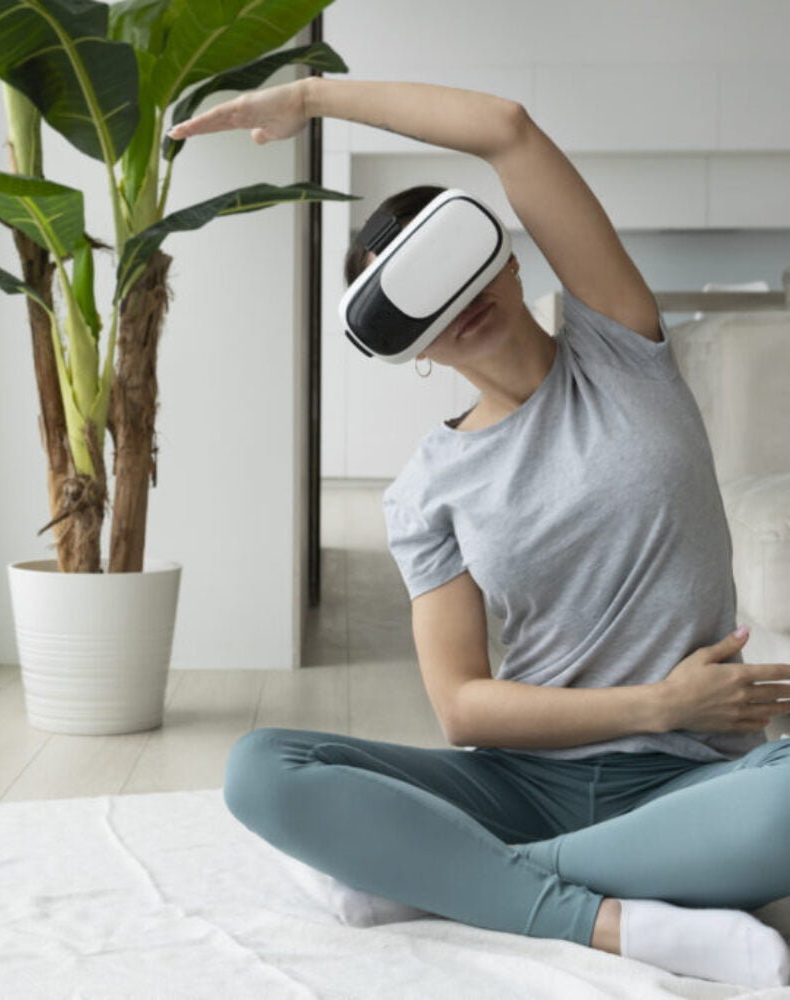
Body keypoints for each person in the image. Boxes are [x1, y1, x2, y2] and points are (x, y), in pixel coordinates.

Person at [169, 78, 790, 988]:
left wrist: (308, 98)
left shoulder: (621, 348)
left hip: (689, 782)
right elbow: (462, 705)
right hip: (521, 787)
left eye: (456, 262)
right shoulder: (425, 491)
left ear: (503, 256)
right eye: (413, 301)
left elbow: (506, 130)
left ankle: (439, 880)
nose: (454, 303)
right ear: (409, 349)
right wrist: (658, 704)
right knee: (262, 768)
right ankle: (595, 913)